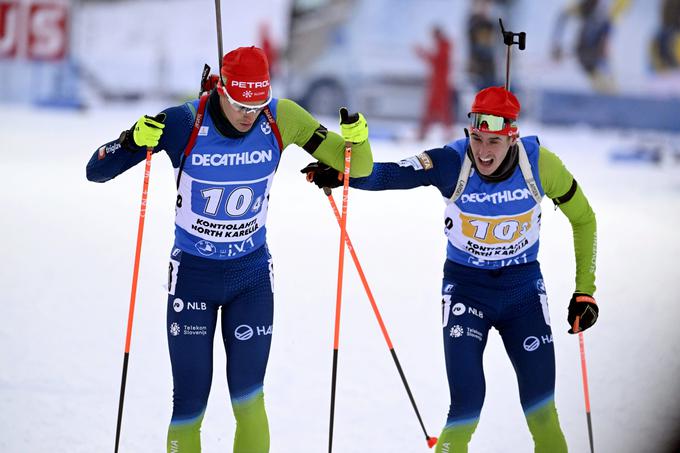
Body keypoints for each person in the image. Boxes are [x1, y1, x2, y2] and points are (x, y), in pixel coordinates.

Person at [86, 46, 372, 453]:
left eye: (256, 105)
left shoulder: (281, 117)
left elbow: (357, 167)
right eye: (240, 104)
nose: (248, 115)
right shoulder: (185, 121)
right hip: (192, 279)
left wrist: (357, 142)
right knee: (189, 401)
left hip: (250, 279)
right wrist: (131, 140)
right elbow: (95, 170)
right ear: (220, 88)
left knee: (249, 397)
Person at [302, 86, 598, 453]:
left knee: (541, 412)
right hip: (466, 292)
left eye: (493, 141)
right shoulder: (451, 162)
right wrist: (345, 175)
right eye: (476, 138)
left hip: (523, 293)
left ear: (512, 137)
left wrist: (585, 290)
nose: (484, 152)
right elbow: (389, 175)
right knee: (466, 406)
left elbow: (584, 219)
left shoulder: (539, 164)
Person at [550, 0, 631, 93]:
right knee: (608, 89)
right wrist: (556, 44)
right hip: (589, 57)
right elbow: (564, 15)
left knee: (611, 89)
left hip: (596, 59)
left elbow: (609, 29)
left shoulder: (610, 9)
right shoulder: (588, 6)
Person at [415, 26, 455, 141]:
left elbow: (437, 61)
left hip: (440, 83)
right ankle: (426, 131)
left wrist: (422, 53)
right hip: (438, 82)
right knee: (436, 108)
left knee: (438, 108)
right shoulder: (444, 45)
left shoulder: (444, 45)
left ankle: (426, 131)